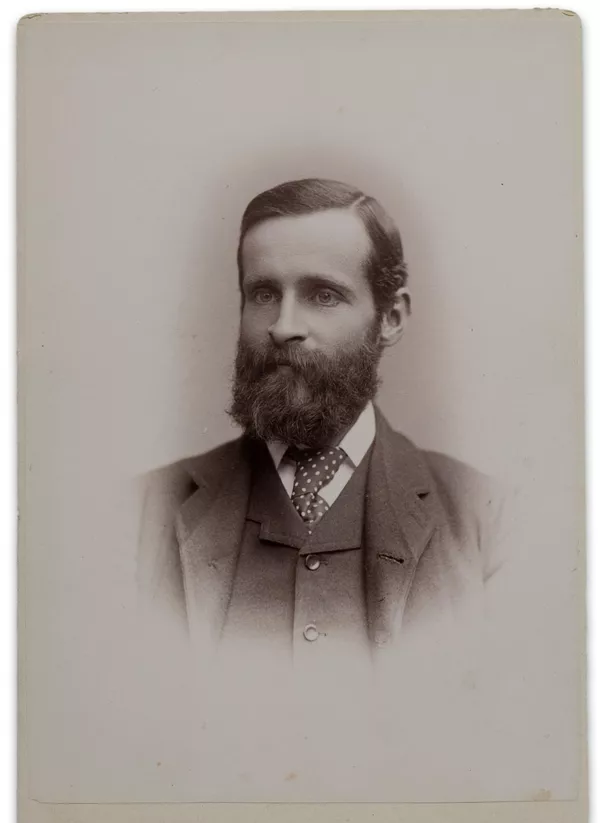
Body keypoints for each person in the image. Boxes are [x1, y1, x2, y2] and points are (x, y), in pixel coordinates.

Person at [137, 178, 507, 664]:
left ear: (391, 318)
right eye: (264, 293)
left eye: (324, 295)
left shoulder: (484, 518)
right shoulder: (142, 512)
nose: (283, 326)